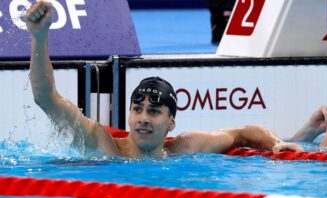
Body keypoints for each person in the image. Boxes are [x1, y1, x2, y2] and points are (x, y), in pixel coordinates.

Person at [25, 1, 302, 158]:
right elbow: (45, 98)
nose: (143, 118)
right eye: (138, 109)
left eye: (154, 111)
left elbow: (243, 132)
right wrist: (39, 37)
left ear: (172, 122)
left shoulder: (184, 147)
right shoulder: (103, 145)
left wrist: (275, 144)